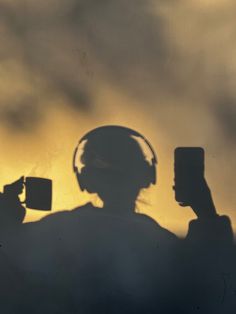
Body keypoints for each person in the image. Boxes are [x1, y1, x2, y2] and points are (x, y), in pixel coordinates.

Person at [18, 126, 234, 314]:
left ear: (85, 179)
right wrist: (206, 212)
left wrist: (7, 215)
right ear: (146, 175)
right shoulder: (162, 242)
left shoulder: (53, 230)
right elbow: (212, 286)